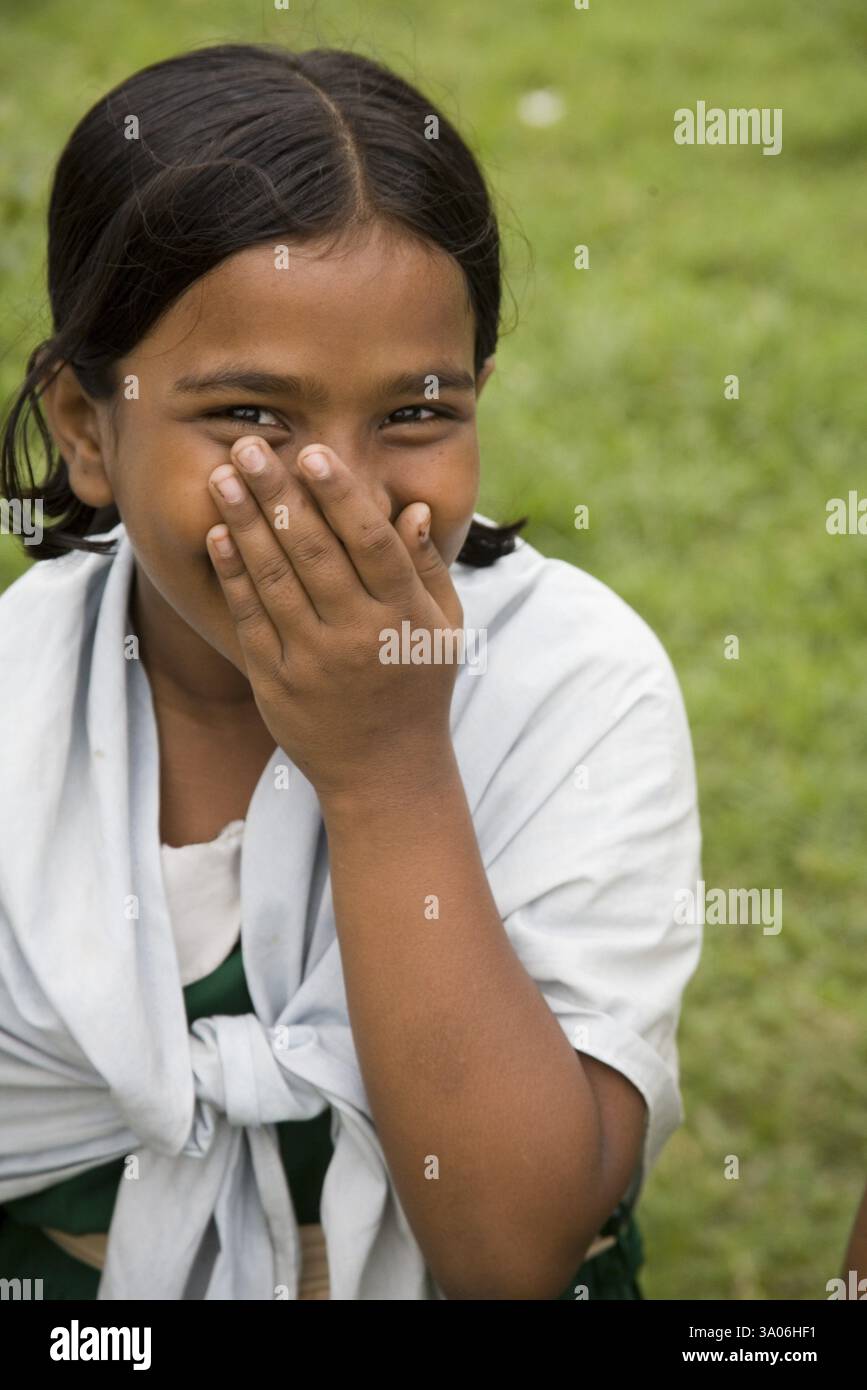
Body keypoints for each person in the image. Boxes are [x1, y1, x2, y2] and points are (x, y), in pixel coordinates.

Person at [0, 42, 702, 1300]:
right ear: (85, 430)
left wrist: (385, 768)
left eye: (416, 413)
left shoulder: (575, 690)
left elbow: (512, 1257)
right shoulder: (20, 703)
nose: (341, 494)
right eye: (251, 418)